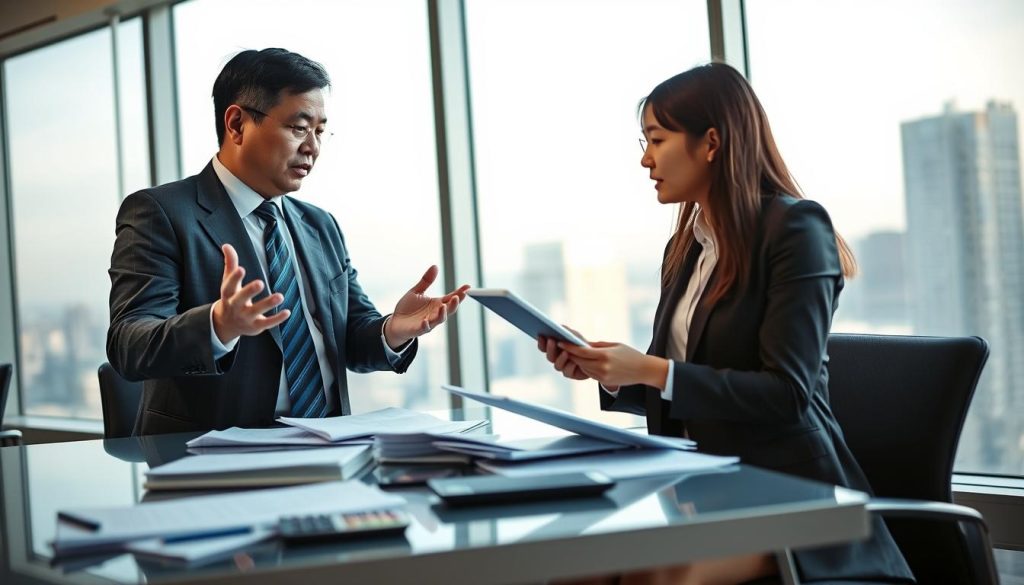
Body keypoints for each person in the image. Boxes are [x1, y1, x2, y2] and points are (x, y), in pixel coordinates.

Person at [539, 63, 914, 584]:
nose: (645, 160)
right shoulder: (686, 246)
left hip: (792, 502)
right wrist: (611, 372)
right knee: (571, 568)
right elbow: (684, 380)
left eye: (656, 139)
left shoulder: (795, 229)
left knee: (663, 580)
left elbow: (785, 394)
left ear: (710, 143)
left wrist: (649, 370)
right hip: (703, 495)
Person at [107, 48, 468, 435]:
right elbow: (130, 342)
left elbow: (350, 336)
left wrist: (393, 330)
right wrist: (217, 325)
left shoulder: (319, 225)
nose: (313, 146)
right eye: (299, 128)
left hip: (330, 448)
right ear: (236, 124)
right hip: (215, 460)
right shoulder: (161, 213)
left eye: (319, 130)